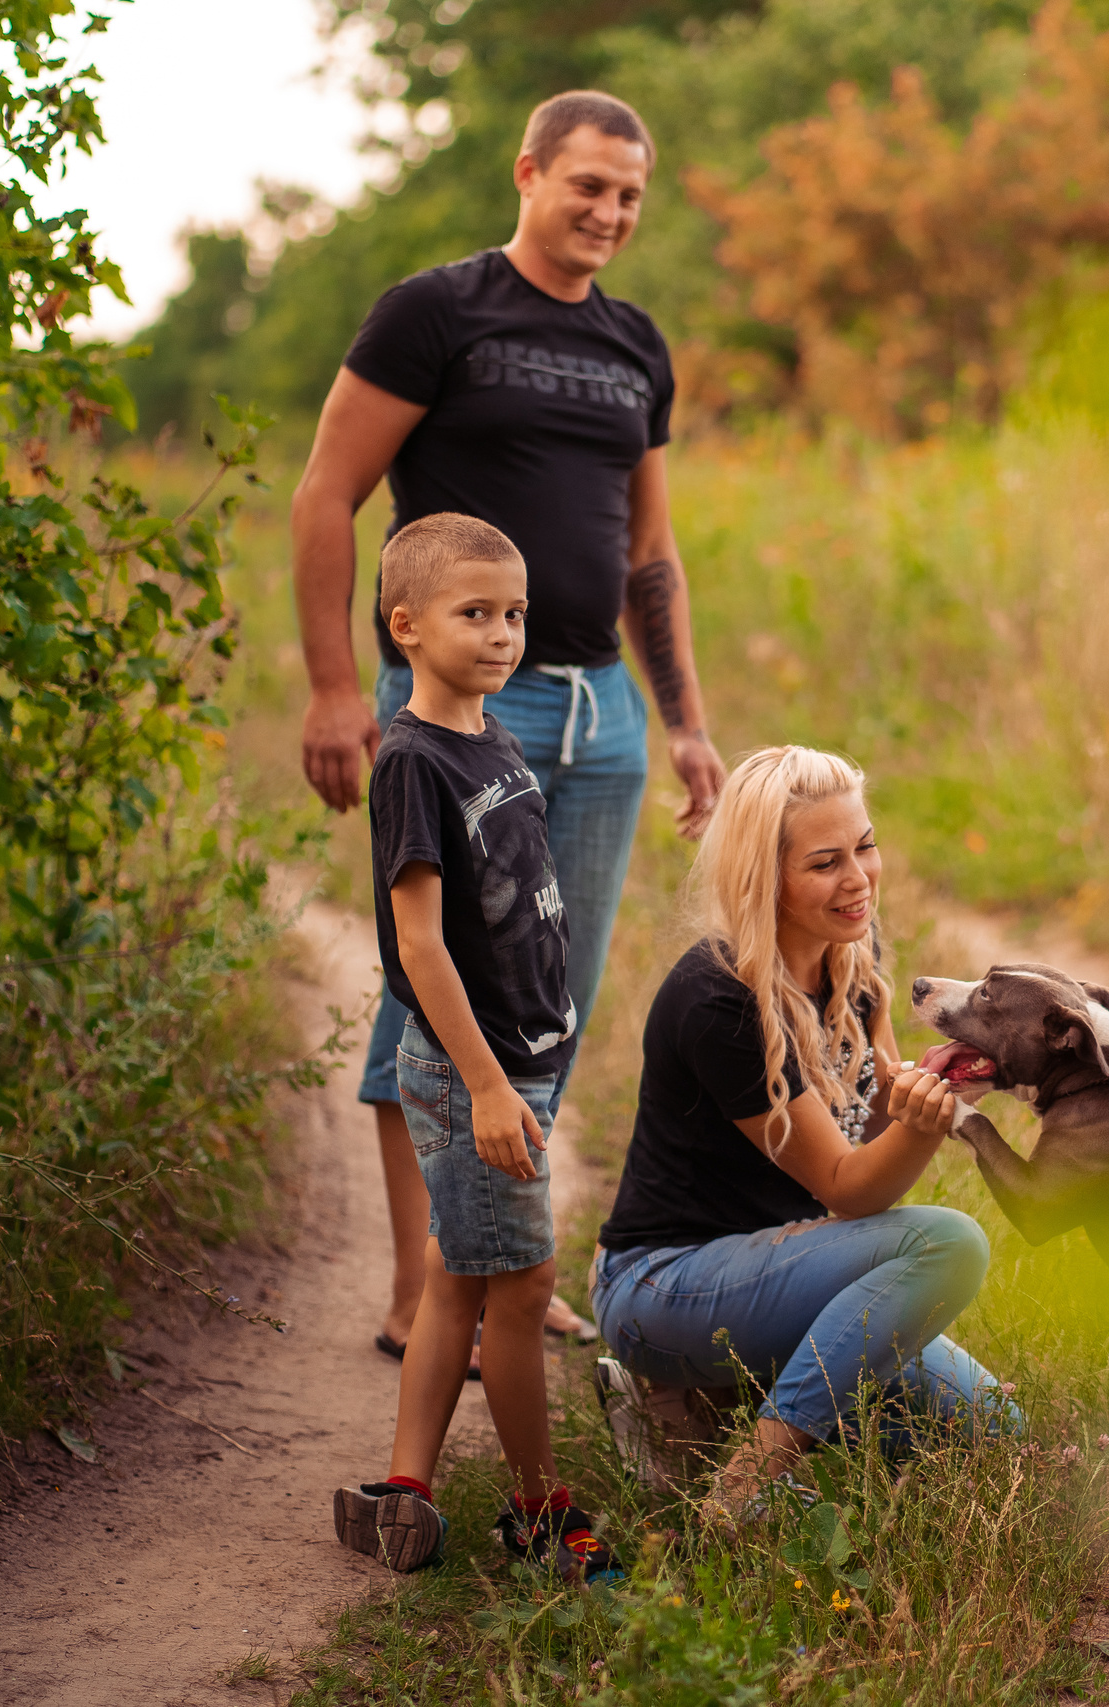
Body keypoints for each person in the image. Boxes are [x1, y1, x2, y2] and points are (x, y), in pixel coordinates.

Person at [288, 88, 727, 1361]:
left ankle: (498, 1272)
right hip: (468, 709)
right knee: (436, 989)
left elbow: (651, 553)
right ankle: (421, 1290)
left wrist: (683, 721)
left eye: (631, 194)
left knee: (547, 998)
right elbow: (327, 495)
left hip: (602, 716)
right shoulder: (438, 312)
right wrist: (331, 688)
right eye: (588, 184)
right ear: (528, 173)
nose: (609, 211)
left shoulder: (637, 345)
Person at [589, 746, 1020, 1524]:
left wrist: (930, 1080)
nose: (858, 878)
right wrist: (925, 1128)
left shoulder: (854, 954)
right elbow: (852, 1188)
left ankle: (706, 1410)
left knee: (997, 1430)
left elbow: (870, 1110)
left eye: (865, 845)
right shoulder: (718, 1000)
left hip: (789, 1265)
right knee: (950, 1244)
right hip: (664, 1282)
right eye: (825, 862)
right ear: (766, 877)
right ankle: (748, 1475)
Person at [329, 514, 616, 1581]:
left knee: (458, 1275)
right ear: (406, 627)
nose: (503, 635)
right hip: (472, 1073)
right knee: (524, 1289)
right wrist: (491, 1088)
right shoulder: (411, 761)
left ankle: (405, 1494)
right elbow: (418, 943)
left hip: (516, 1062)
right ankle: (540, 1512)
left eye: (514, 614)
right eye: (475, 614)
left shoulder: (490, 733)